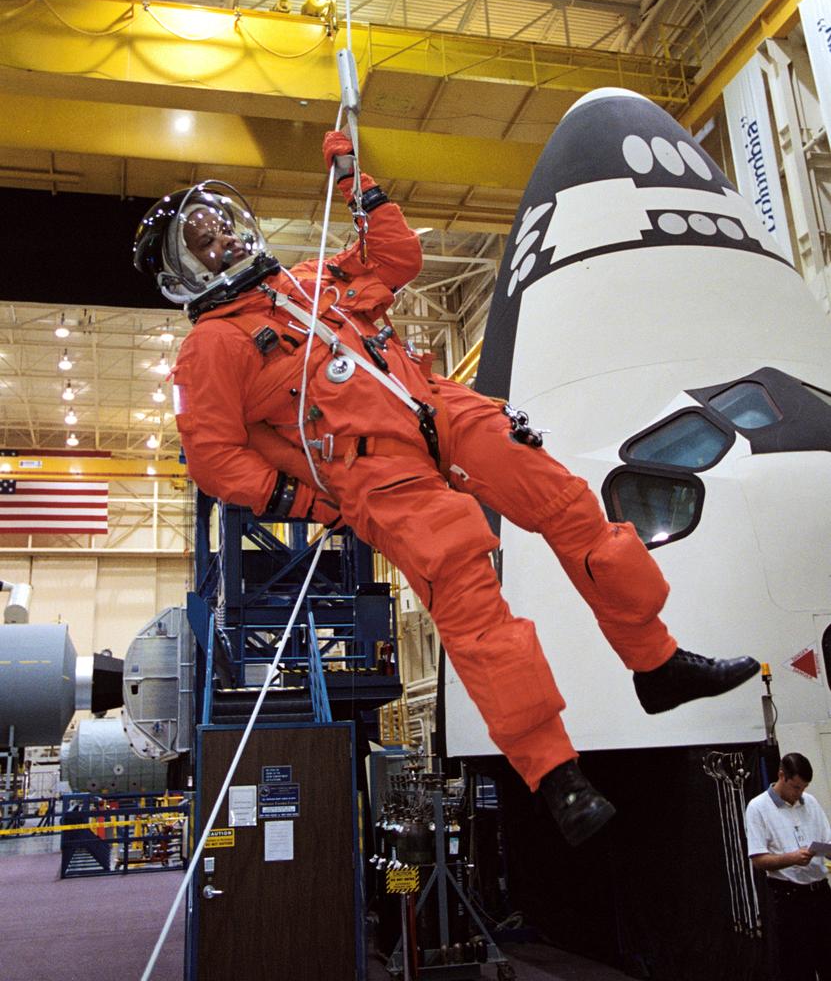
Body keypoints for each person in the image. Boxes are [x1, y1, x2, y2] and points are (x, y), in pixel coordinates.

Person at [133, 131, 760, 846]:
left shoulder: (307, 282)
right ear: (183, 274)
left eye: (220, 224)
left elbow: (396, 259)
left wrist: (357, 181)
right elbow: (214, 459)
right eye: (203, 241)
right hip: (376, 471)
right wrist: (309, 502)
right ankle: (552, 771)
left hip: (436, 408)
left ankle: (656, 662)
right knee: (469, 595)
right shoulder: (210, 349)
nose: (222, 238)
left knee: (566, 503)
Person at [746, 752, 831, 981]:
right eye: (795, 787)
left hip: (820, 892)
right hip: (789, 897)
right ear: (781, 775)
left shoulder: (810, 802)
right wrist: (791, 858)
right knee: (798, 966)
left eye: (804, 788)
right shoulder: (758, 807)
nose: (799, 793)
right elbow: (758, 860)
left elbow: (827, 841)